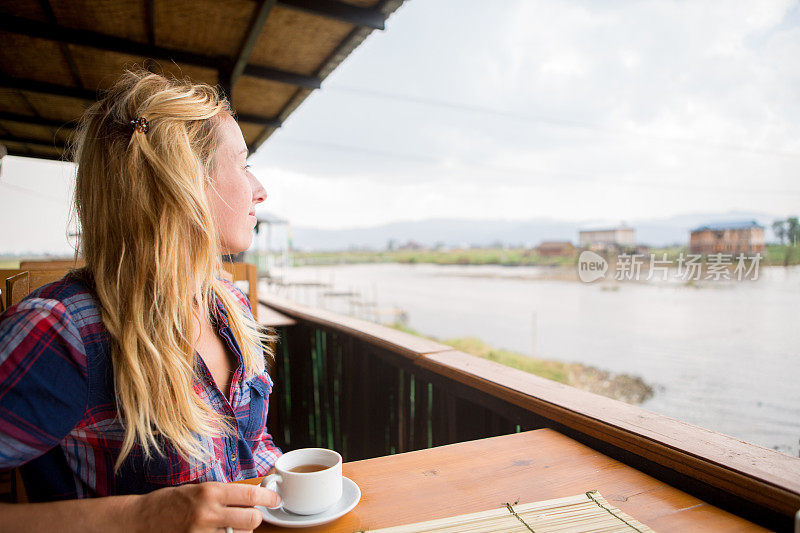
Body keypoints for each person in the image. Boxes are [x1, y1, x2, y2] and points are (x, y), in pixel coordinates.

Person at [0, 70, 282, 532]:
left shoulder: (230, 304)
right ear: (185, 183)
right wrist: (139, 515)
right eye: (243, 163)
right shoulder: (62, 332)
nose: (259, 189)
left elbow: (252, 447)